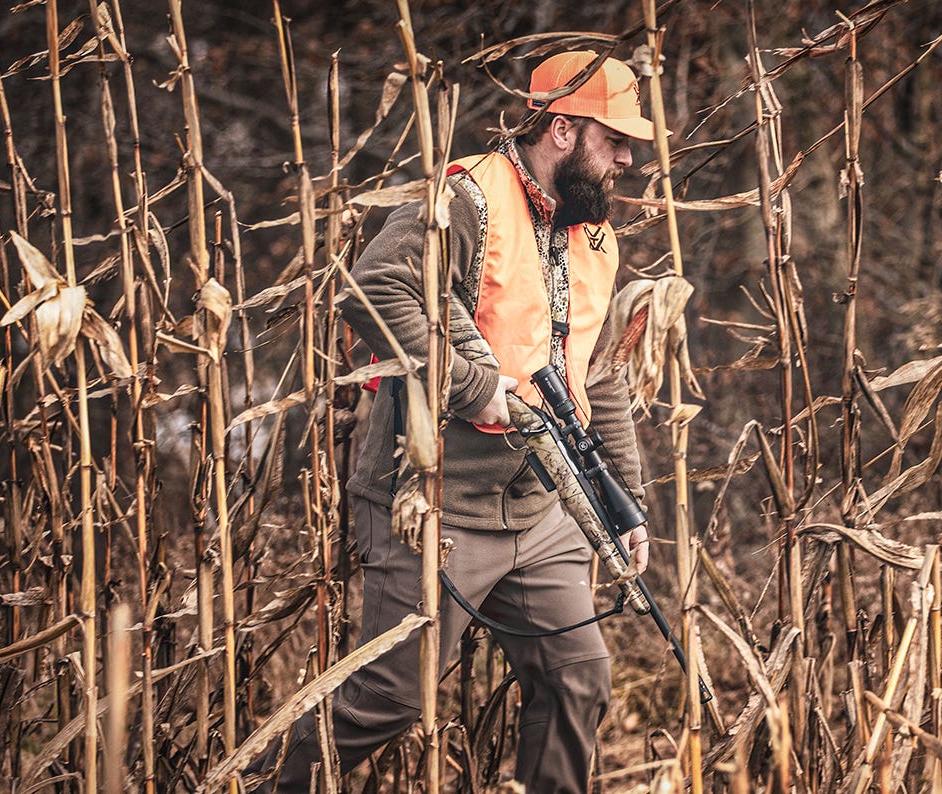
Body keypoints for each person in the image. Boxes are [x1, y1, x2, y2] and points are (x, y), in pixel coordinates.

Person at [247, 50, 654, 793]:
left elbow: (601, 374)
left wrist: (623, 500)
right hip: (436, 503)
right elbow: (370, 293)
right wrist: (473, 388)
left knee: (578, 678)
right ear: (561, 129)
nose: (628, 157)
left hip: (545, 511)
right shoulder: (465, 200)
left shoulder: (595, 236)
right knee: (390, 700)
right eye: (615, 139)